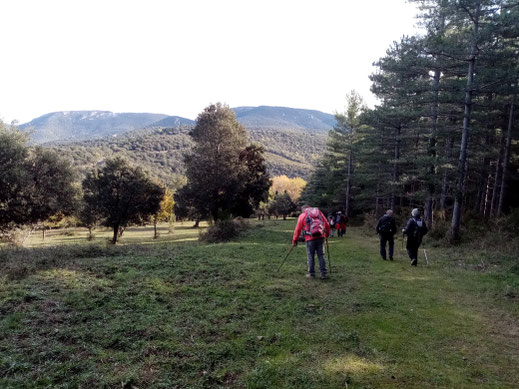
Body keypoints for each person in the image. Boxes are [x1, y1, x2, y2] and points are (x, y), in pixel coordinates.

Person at [292, 205, 331, 279]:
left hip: (310, 238)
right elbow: (327, 224)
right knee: (321, 255)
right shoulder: (319, 213)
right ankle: (323, 274)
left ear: (303, 209)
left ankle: (311, 274)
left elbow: (298, 229)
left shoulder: (303, 215)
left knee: (310, 256)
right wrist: (327, 234)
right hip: (320, 237)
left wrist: (294, 240)